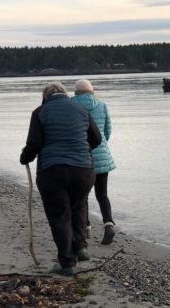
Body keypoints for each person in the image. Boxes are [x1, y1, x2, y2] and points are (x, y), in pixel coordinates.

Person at [20, 82, 101, 277]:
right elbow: (97, 139)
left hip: (53, 171)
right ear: (65, 94)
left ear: (45, 97)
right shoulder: (81, 109)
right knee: (79, 205)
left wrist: (25, 157)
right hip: (83, 170)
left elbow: (35, 143)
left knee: (60, 216)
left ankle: (67, 263)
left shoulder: (40, 112)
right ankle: (81, 247)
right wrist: (81, 149)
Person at [71, 80, 117, 245]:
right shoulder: (102, 105)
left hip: (81, 157)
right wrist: (101, 144)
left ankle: (86, 228)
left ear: (76, 93)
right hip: (102, 155)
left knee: (82, 195)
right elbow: (107, 130)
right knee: (102, 194)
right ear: (92, 92)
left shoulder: (71, 105)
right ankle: (109, 225)